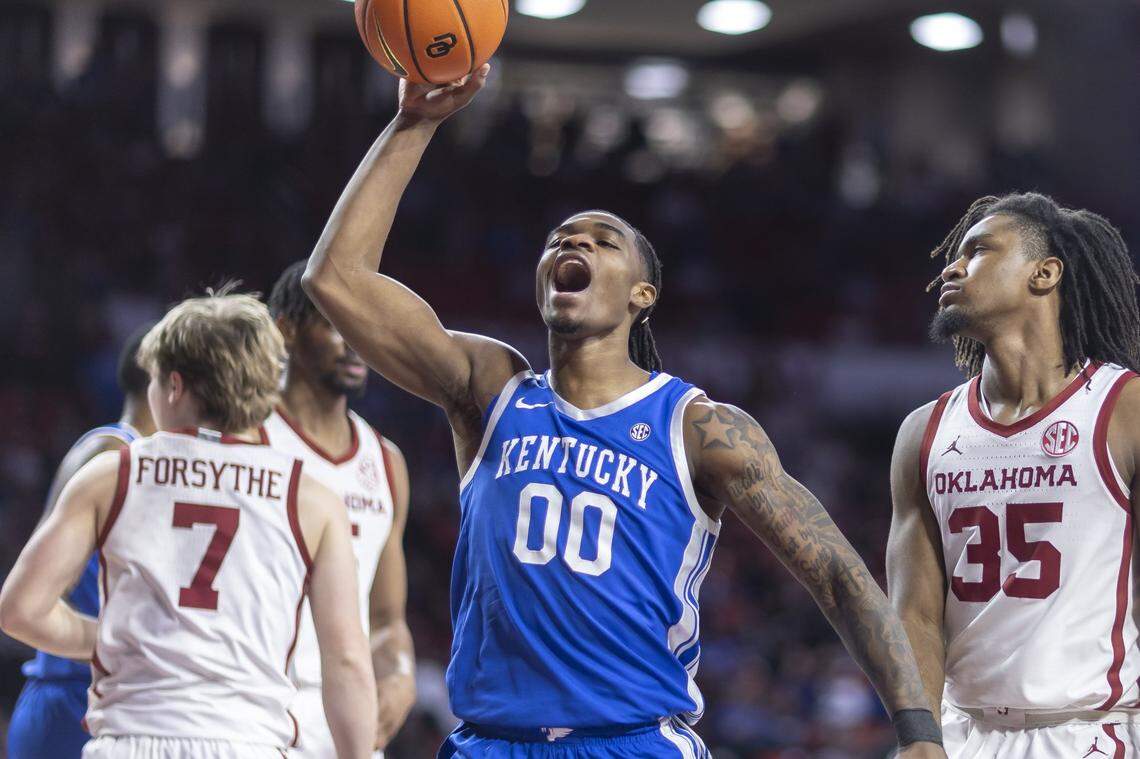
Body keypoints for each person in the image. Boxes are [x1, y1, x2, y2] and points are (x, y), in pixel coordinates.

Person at [301, 67, 945, 757]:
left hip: (631, 742)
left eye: (601, 240)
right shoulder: (491, 388)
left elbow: (837, 574)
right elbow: (334, 278)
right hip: (491, 741)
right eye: (558, 239)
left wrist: (917, 732)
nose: (571, 244)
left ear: (642, 293)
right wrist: (415, 124)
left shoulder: (699, 427)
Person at [0, 291, 377, 759]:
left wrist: (113, 637)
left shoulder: (113, 473)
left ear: (173, 387)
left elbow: (20, 609)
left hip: (132, 739)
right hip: (249, 742)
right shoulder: (313, 499)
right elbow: (346, 660)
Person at [887, 192, 1140, 757]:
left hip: (1088, 730)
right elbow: (916, 615)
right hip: (961, 733)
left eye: (977, 251)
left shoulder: (1124, 410)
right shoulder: (924, 432)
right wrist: (918, 737)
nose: (951, 267)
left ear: (1044, 273)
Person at [266, 261, 414, 756]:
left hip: (343, 722)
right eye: (337, 324)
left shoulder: (386, 461)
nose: (356, 342)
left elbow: (388, 617)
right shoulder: (246, 436)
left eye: (364, 328)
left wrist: (398, 673)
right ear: (286, 330)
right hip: (255, 711)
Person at [7, 325, 156, 759]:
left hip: (113, 695)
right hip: (73, 693)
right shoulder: (111, 449)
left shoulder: (153, 461)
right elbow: (38, 582)